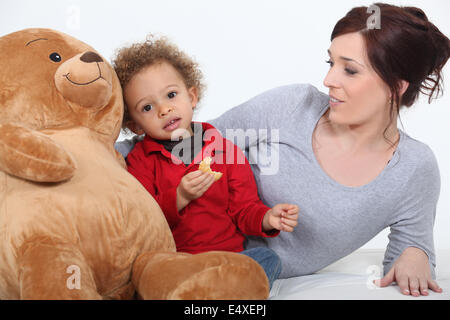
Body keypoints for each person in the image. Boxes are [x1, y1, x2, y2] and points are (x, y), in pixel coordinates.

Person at [115, 4, 449, 297]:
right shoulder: (294, 105)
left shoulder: (414, 168)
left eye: (349, 69)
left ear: (396, 87)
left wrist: (414, 254)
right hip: (185, 246)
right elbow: (179, 141)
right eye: (330, 62)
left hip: (251, 270)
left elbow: (415, 245)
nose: (328, 79)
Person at [112, 36, 299, 288]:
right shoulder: (140, 162)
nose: (164, 109)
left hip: (227, 259)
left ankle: (219, 290)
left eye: (171, 95)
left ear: (192, 97)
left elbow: (243, 209)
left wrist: (267, 218)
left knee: (268, 259)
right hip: (176, 262)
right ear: (134, 125)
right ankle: (208, 291)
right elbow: (143, 221)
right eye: (147, 107)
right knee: (145, 271)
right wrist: (179, 197)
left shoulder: (225, 151)